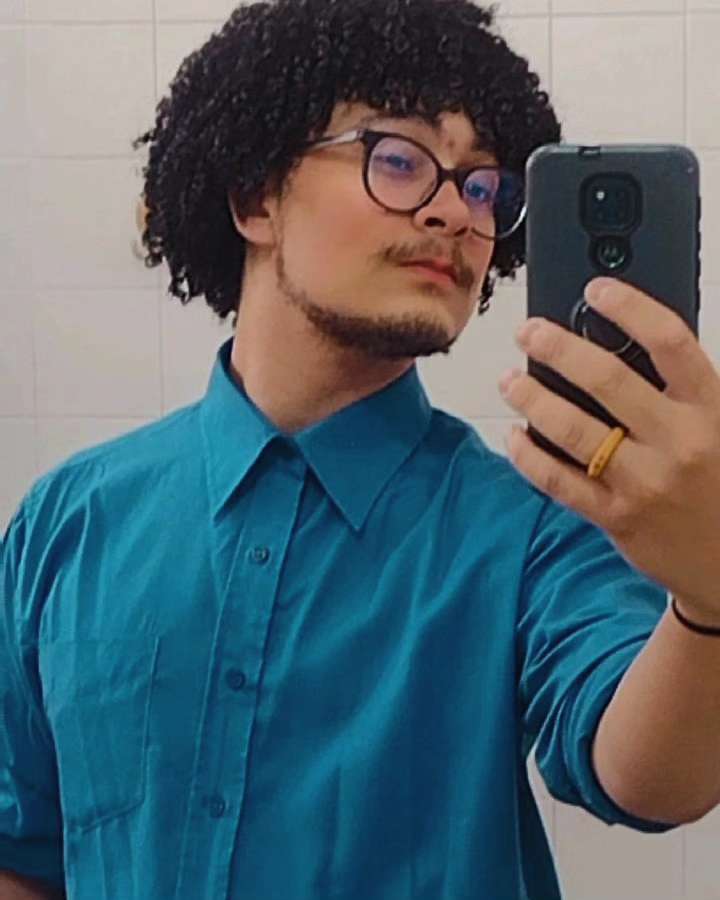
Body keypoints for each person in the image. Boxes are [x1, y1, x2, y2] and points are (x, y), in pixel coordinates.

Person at [0, 0, 691, 898]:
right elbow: (23, 849)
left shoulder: (534, 524)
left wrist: (709, 596)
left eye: (483, 186)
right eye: (399, 159)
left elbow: (649, 778)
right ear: (256, 197)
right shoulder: (68, 522)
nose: (456, 212)